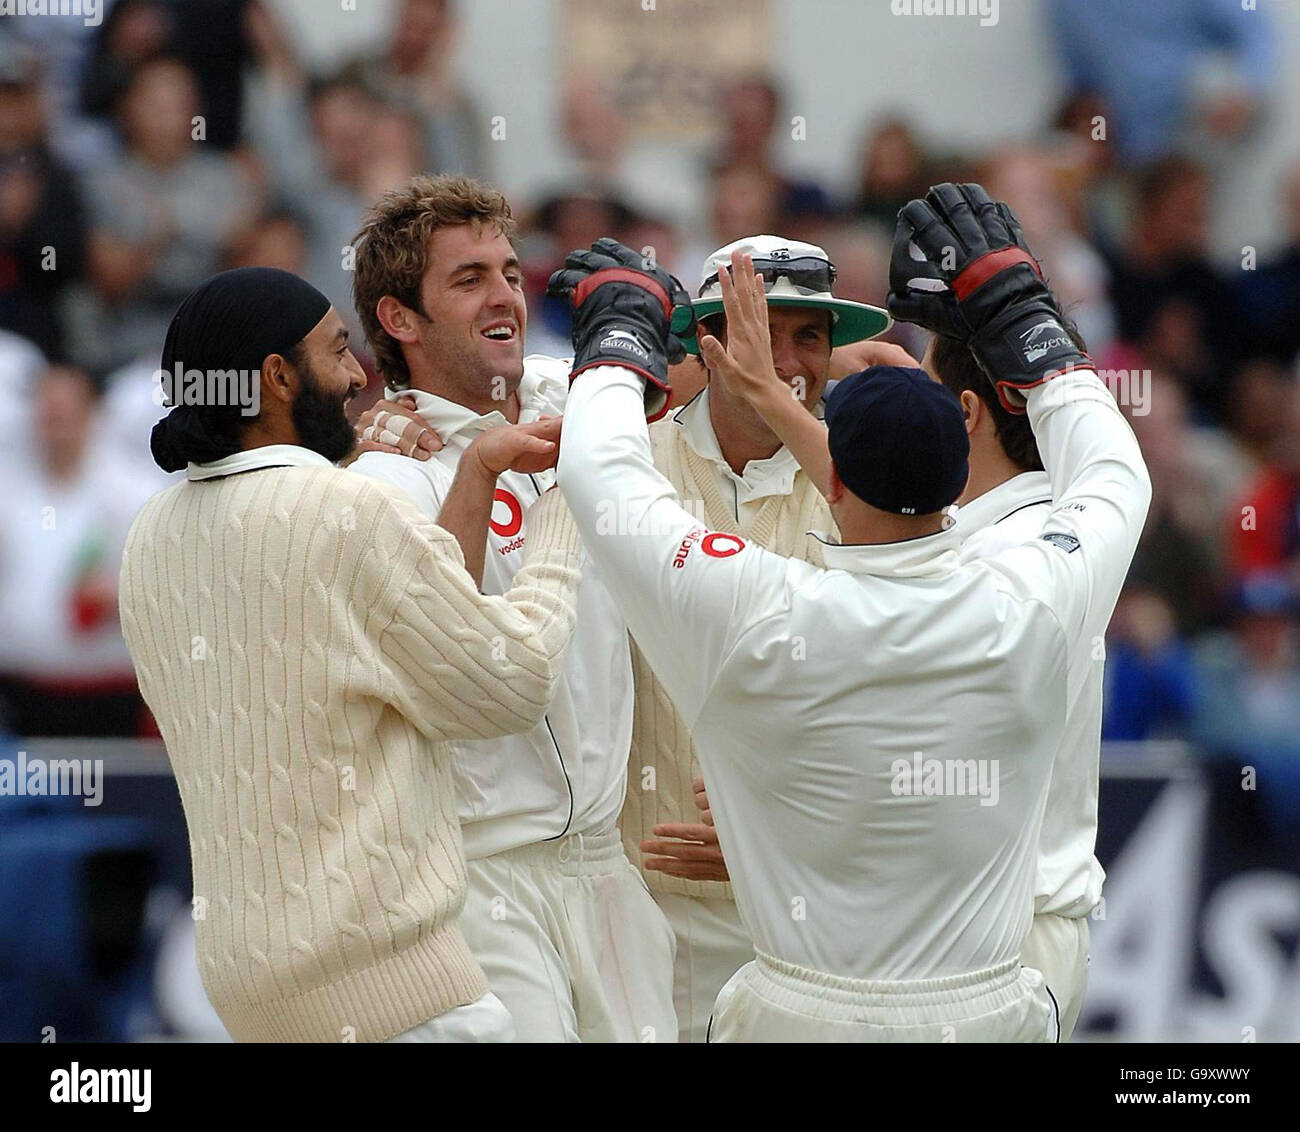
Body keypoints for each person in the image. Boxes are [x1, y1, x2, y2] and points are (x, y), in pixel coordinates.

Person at [549, 181, 1151, 1041]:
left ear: (828, 477)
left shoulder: (755, 607)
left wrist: (615, 345)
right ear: (957, 478)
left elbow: (598, 471)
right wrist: (1030, 328)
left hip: (801, 1010)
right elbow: (1113, 474)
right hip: (984, 1009)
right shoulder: (1036, 594)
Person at [118, 266, 585, 1042]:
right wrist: (569, 502)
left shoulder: (148, 536)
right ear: (274, 377)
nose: (357, 374)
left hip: (250, 998)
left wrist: (471, 468)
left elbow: (360, 644)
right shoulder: (347, 509)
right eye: (337, 350)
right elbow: (509, 684)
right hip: (401, 995)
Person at [347, 174, 677, 1043]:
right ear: (398, 321)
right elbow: (440, 641)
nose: (504, 295)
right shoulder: (385, 473)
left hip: (608, 869)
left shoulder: (574, 402)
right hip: (483, 880)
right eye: (468, 280)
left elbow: (726, 383)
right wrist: (473, 469)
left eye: (506, 270)